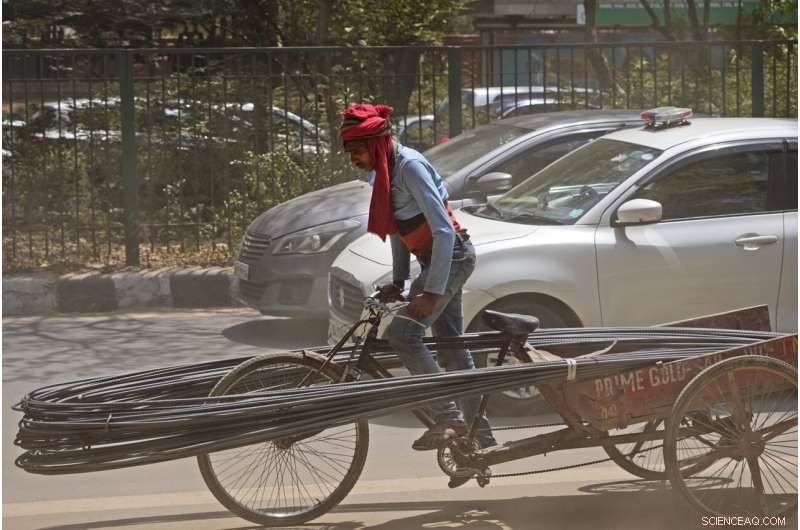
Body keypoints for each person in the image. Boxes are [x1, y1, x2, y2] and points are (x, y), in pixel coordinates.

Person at [340, 104, 496, 483]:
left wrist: (431, 291)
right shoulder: (385, 172)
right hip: (434, 262)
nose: (353, 158)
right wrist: (398, 280)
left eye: (357, 150)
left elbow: (443, 231)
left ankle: (450, 419)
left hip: (452, 257)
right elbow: (397, 229)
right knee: (453, 349)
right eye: (349, 151)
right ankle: (481, 439)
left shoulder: (409, 167)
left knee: (404, 334)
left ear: (376, 143)